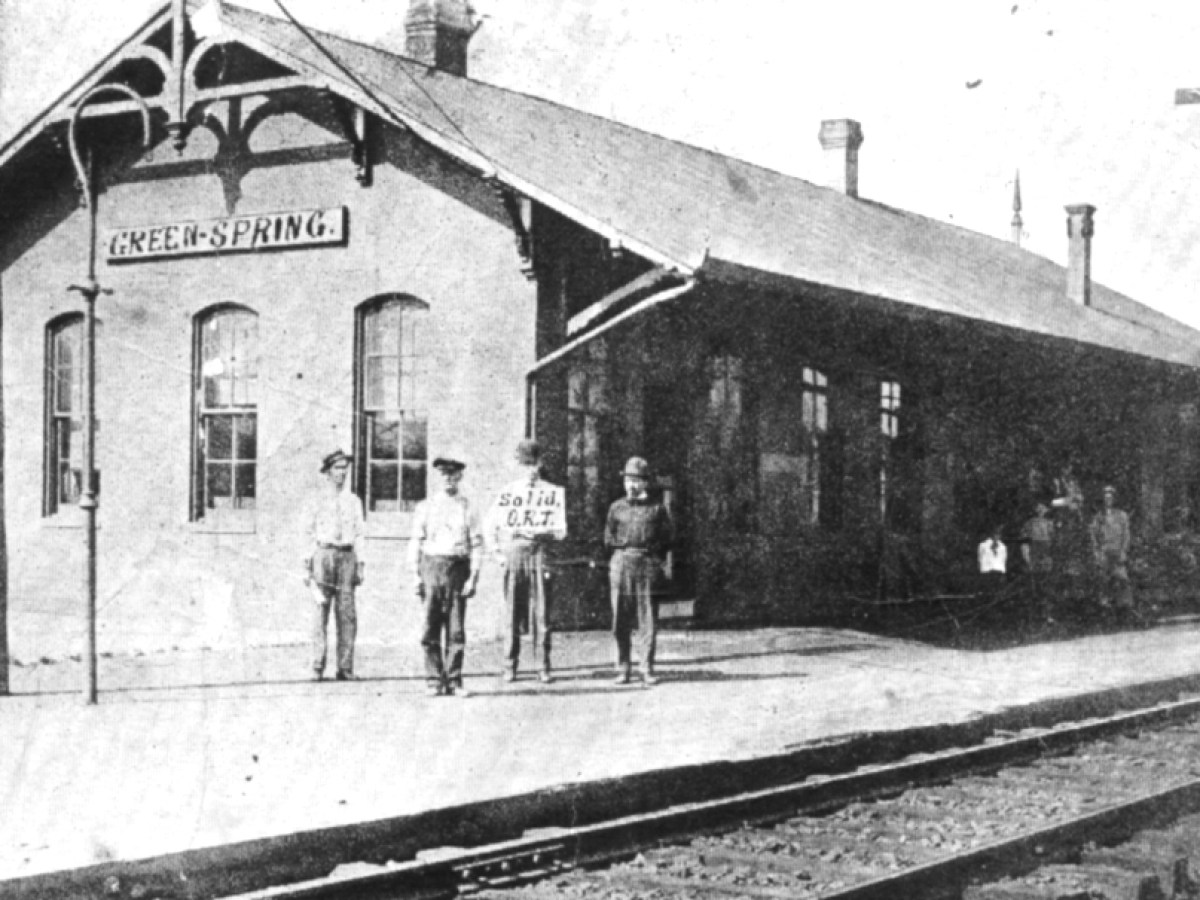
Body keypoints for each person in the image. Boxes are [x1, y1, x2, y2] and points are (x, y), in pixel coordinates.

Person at [490, 440, 566, 684]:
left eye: (533, 465)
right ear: (517, 466)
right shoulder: (508, 492)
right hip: (515, 552)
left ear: (540, 463)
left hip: (539, 553)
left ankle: (543, 666)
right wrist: (498, 555)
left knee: (542, 613)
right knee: (512, 611)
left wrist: (545, 532)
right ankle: (509, 665)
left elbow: (561, 530)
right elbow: (490, 525)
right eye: (525, 466)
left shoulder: (552, 492)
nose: (530, 471)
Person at [409, 454, 484, 697]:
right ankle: (433, 679)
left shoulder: (468, 507)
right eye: (444, 474)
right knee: (430, 626)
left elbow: (477, 544)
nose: (449, 479)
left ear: (460, 476)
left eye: (453, 474)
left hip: (457, 568)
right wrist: (414, 576)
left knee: (456, 628)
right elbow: (415, 542)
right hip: (431, 566)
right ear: (437, 477)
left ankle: (454, 680)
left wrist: (473, 578)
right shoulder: (426, 506)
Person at [604, 457, 673, 686]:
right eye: (628, 481)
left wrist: (654, 560)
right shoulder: (616, 508)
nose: (631, 486)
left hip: (646, 565)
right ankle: (623, 668)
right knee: (620, 620)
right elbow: (608, 538)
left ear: (645, 483)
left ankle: (646, 668)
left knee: (647, 620)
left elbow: (667, 539)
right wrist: (619, 556)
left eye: (636, 481)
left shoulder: (657, 509)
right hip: (621, 564)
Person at [302, 449, 365, 682]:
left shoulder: (354, 501)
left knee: (347, 613)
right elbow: (307, 533)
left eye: (345, 468)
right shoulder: (316, 500)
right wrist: (306, 565)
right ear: (328, 472)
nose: (342, 473)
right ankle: (317, 666)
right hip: (323, 556)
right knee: (320, 612)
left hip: (347, 557)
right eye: (338, 468)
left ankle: (345, 668)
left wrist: (361, 565)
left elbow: (360, 534)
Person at [1090, 485, 1134, 612]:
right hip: (1104, 551)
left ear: (1115, 499)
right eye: (1106, 498)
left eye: (1110, 498)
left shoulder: (1122, 515)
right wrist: (1097, 553)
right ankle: (1105, 607)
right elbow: (1094, 536)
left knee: (1123, 579)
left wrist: (1124, 551)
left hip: (1118, 551)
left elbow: (1126, 535)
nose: (1108, 500)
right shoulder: (1099, 517)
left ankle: (1125, 607)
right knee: (1104, 580)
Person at [1020, 501, 1056, 622]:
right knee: (1033, 588)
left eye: (1043, 507)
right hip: (1034, 559)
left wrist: (1050, 559)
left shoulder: (1050, 524)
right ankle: (1033, 615)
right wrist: (1027, 559)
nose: (1041, 509)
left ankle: (1047, 615)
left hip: (1046, 559)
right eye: (1039, 507)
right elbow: (1024, 544)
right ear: (1035, 509)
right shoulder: (1029, 524)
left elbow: (1053, 543)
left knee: (1047, 588)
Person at [977, 526, 1007, 597]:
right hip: (987, 573)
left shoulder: (1002, 547)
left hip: (998, 572)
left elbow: (1003, 560)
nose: (997, 536)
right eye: (995, 534)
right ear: (991, 535)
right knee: (987, 593)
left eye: (998, 534)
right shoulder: (982, 545)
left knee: (998, 594)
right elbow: (980, 559)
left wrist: (1003, 572)